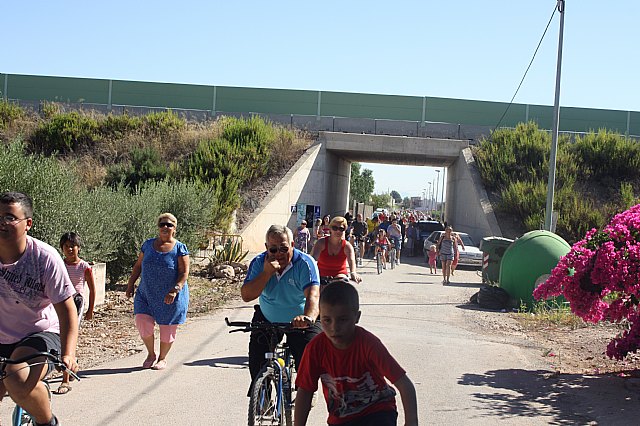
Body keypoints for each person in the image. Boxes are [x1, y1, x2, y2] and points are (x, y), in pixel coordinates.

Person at [0, 192, 79, 426]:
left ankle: (46, 422)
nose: (2, 223)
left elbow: (67, 310)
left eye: (9, 217)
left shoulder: (44, 258)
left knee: (16, 377)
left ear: (28, 224)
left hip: (40, 334)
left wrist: (68, 353)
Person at [294, 281, 418, 426]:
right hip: (341, 417)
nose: (334, 327)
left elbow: (405, 385)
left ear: (357, 317)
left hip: (377, 410)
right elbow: (305, 391)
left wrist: (411, 422)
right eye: (327, 320)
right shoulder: (315, 348)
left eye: (343, 320)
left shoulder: (369, 344)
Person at [241, 224, 322, 390]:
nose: (278, 253)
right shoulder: (259, 262)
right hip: (268, 317)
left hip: (299, 319)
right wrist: (266, 273)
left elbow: (313, 296)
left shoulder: (305, 263)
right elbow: (247, 296)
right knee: (257, 358)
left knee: (309, 357)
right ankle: (261, 396)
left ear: (292, 245)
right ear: (266, 248)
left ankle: (306, 392)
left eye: (284, 248)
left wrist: (308, 317)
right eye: (273, 249)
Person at [125, 213, 190, 370]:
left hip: (170, 295)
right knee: (142, 321)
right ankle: (151, 354)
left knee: (167, 327)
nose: (165, 227)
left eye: (169, 225)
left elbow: (184, 272)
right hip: (146, 293)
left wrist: (175, 290)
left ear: (174, 228)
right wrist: (130, 284)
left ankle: (162, 358)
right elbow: (138, 266)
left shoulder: (179, 248)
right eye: (162, 224)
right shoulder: (148, 245)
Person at [54, 232, 96, 395]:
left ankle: (65, 379)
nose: (70, 249)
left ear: (79, 248)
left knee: (68, 337)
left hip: (76, 302)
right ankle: (71, 364)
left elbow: (92, 289)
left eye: (73, 246)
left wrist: (90, 310)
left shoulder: (84, 267)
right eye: (66, 246)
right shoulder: (58, 264)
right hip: (59, 302)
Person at [311, 216, 362, 288]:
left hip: (340, 275)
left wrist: (353, 273)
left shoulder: (347, 246)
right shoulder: (321, 242)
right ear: (330, 229)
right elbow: (313, 259)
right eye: (335, 228)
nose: (338, 231)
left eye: (341, 229)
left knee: (341, 284)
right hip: (321, 276)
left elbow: (351, 261)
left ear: (344, 230)